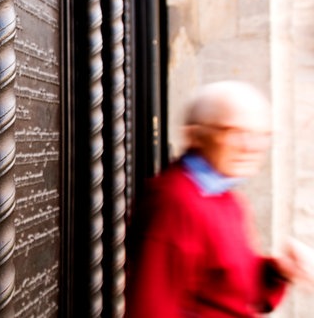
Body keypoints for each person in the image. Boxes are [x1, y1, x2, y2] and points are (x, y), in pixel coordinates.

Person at [126, 80, 305, 317]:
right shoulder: (175, 202)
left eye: (261, 135)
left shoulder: (225, 197)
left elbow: (229, 291)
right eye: (235, 132)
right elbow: (151, 307)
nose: (251, 146)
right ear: (195, 135)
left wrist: (279, 272)